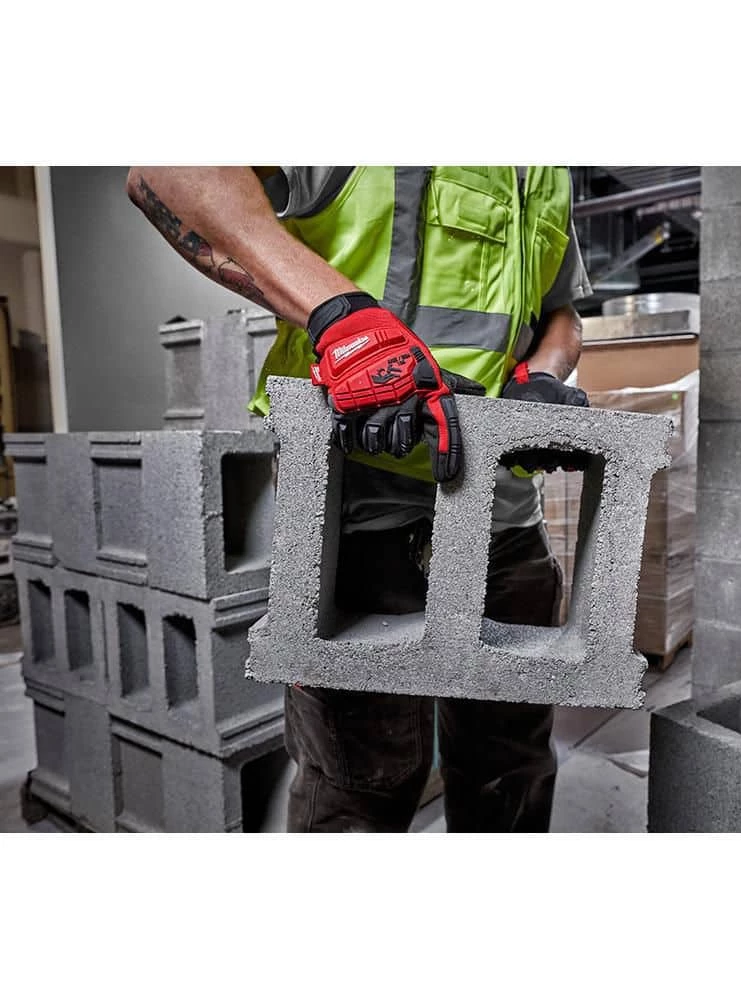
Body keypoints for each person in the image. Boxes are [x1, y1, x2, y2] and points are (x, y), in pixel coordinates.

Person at [127, 166, 592, 833]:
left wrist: (541, 376)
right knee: (361, 787)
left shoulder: (549, 170)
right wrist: (343, 321)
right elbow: (168, 171)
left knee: (510, 770)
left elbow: (563, 313)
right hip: (359, 516)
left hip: (506, 517)